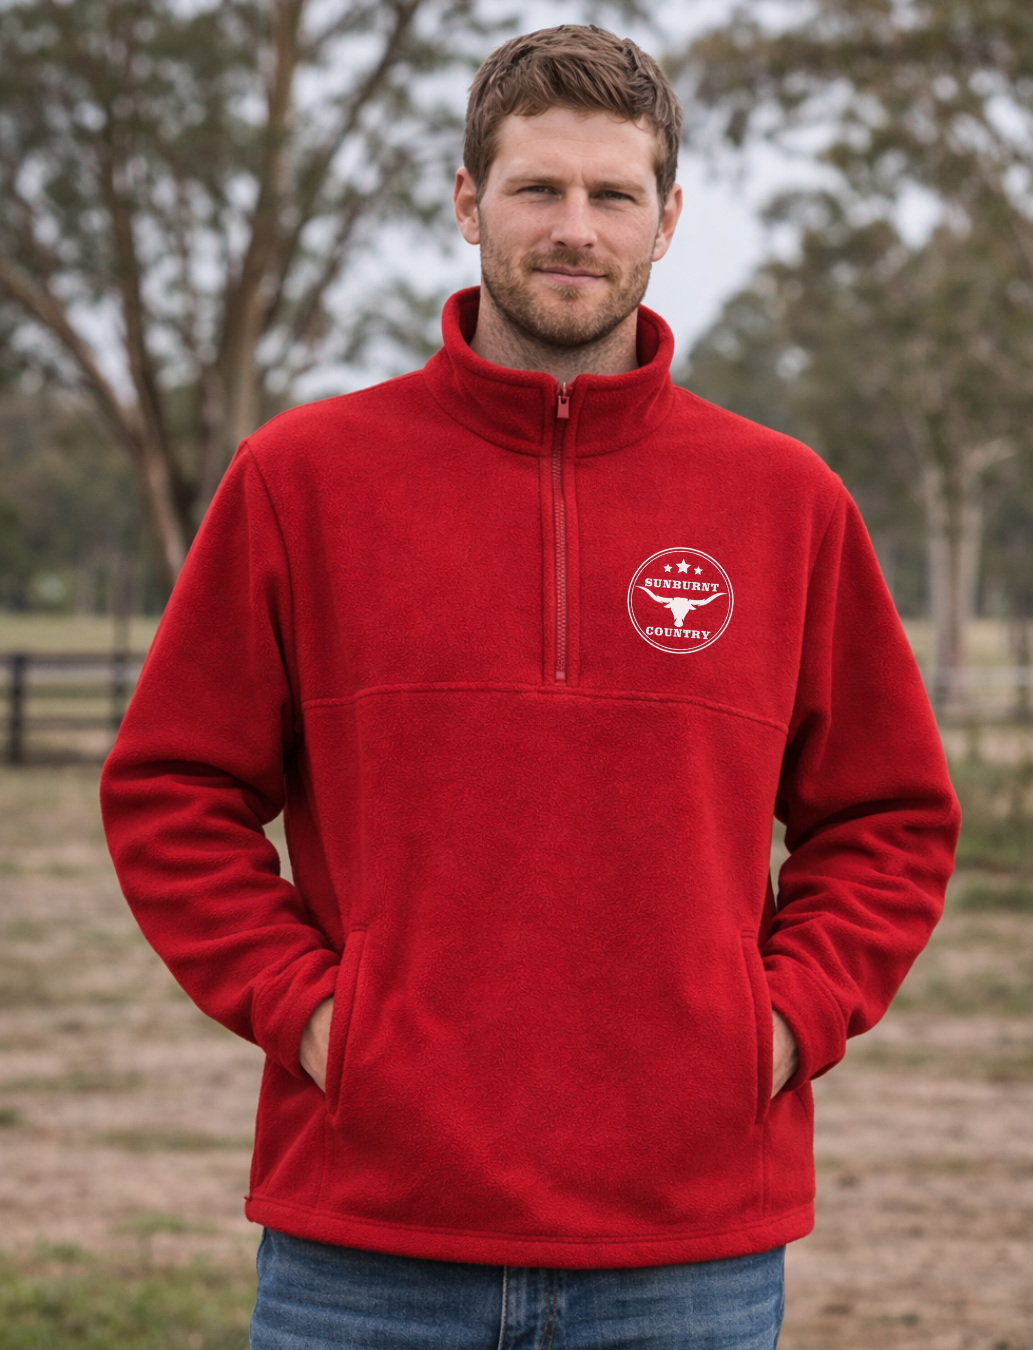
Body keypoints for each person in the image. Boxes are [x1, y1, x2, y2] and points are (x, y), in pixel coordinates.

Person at [99, 24, 960, 1350]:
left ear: (667, 219)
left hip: (687, 1249)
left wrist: (774, 1029)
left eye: (614, 194)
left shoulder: (785, 502)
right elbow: (172, 793)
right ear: (466, 202)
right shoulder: (303, 479)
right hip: (365, 1245)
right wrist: (320, 1021)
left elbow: (891, 822)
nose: (575, 227)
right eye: (536, 189)